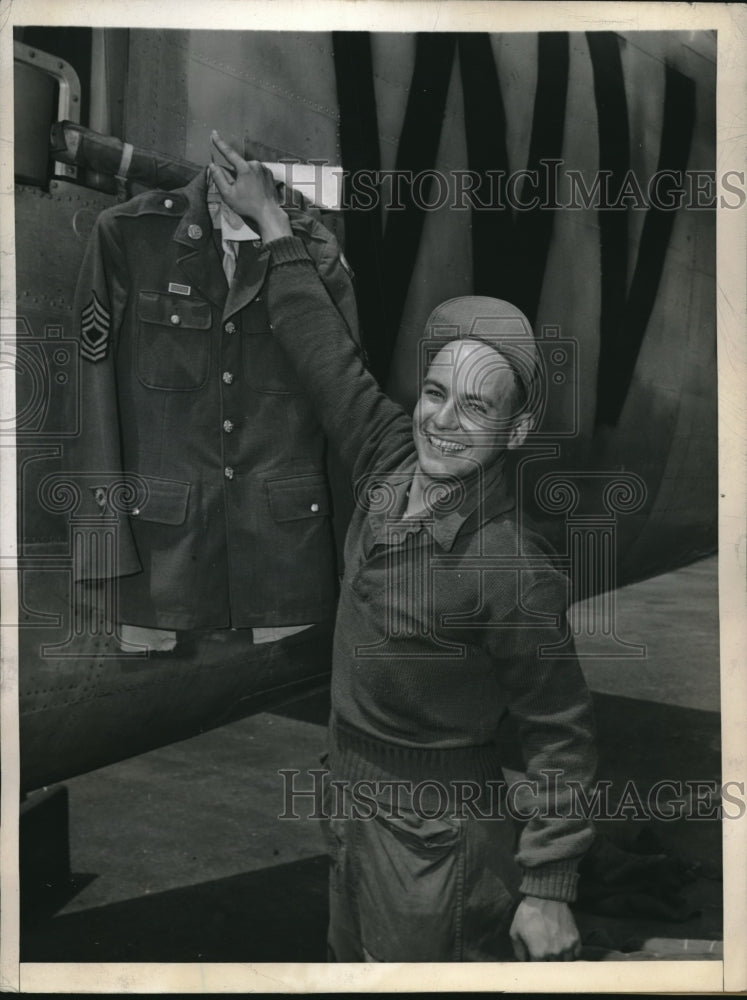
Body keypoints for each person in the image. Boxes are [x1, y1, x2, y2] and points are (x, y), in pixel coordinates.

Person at [210, 131, 597, 963]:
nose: (441, 422)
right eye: (433, 392)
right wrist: (274, 229)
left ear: (516, 429)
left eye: (475, 409)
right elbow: (328, 361)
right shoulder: (390, 457)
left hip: (438, 841)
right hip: (349, 798)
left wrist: (547, 886)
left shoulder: (510, 565)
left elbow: (558, 732)